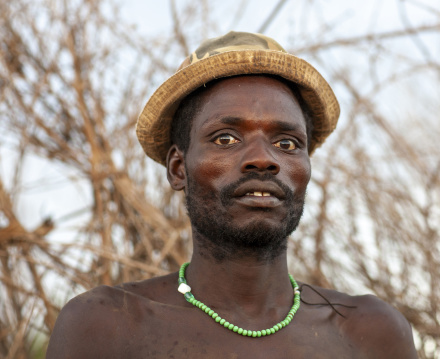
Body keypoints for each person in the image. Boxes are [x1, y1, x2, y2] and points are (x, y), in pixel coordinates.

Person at [47, 31, 417, 358]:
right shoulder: (106, 326)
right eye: (226, 138)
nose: (263, 159)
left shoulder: (370, 332)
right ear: (179, 169)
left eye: (286, 142)